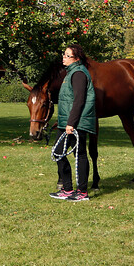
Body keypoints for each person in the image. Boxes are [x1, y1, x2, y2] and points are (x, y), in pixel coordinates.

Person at [50, 44, 97, 202]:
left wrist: (71, 123)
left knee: (80, 155)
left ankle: (82, 192)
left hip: (76, 123)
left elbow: (79, 101)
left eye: (67, 55)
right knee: (58, 152)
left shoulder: (78, 74)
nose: (64, 57)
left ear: (76, 59)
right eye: (64, 54)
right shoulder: (70, 73)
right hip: (66, 122)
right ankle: (68, 189)